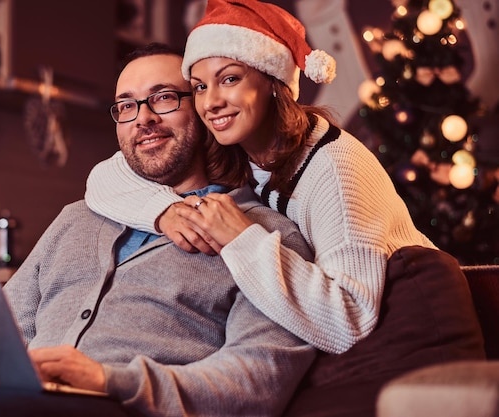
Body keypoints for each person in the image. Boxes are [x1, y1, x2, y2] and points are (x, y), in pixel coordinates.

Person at [0, 43, 316, 417]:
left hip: (121, 405)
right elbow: (6, 327)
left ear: (203, 108)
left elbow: (260, 377)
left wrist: (109, 379)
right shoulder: (77, 218)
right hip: (21, 395)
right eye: (127, 105)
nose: (143, 118)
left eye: (163, 98)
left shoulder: (264, 237)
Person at [84, 0, 453, 355]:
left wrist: (241, 237)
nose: (210, 101)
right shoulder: (237, 145)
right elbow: (108, 174)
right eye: (199, 86)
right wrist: (164, 212)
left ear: (272, 81)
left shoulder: (334, 170)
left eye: (228, 79)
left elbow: (351, 320)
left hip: (408, 335)